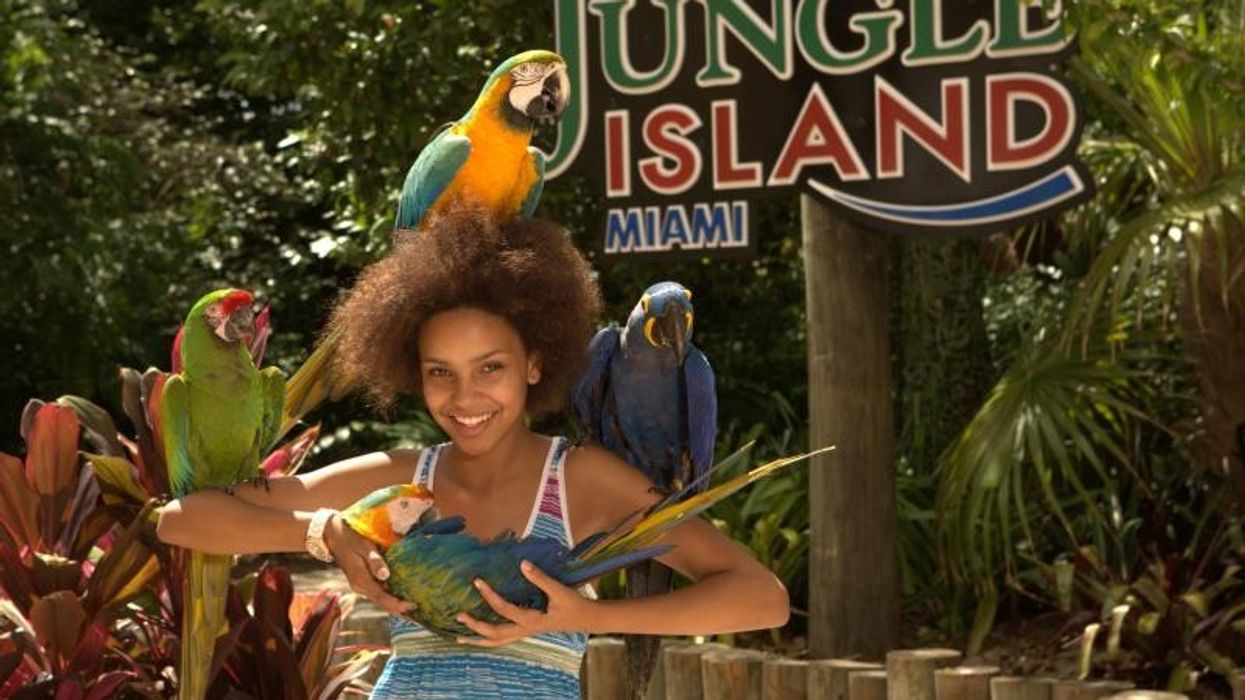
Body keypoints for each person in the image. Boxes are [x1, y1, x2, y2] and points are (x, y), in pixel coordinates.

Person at [155, 207, 789, 699]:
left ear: (535, 364)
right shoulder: (402, 476)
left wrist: (582, 617)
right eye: (440, 372)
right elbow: (181, 519)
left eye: (490, 367)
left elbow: (761, 596)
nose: (465, 397)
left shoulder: (581, 480)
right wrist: (325, 533)